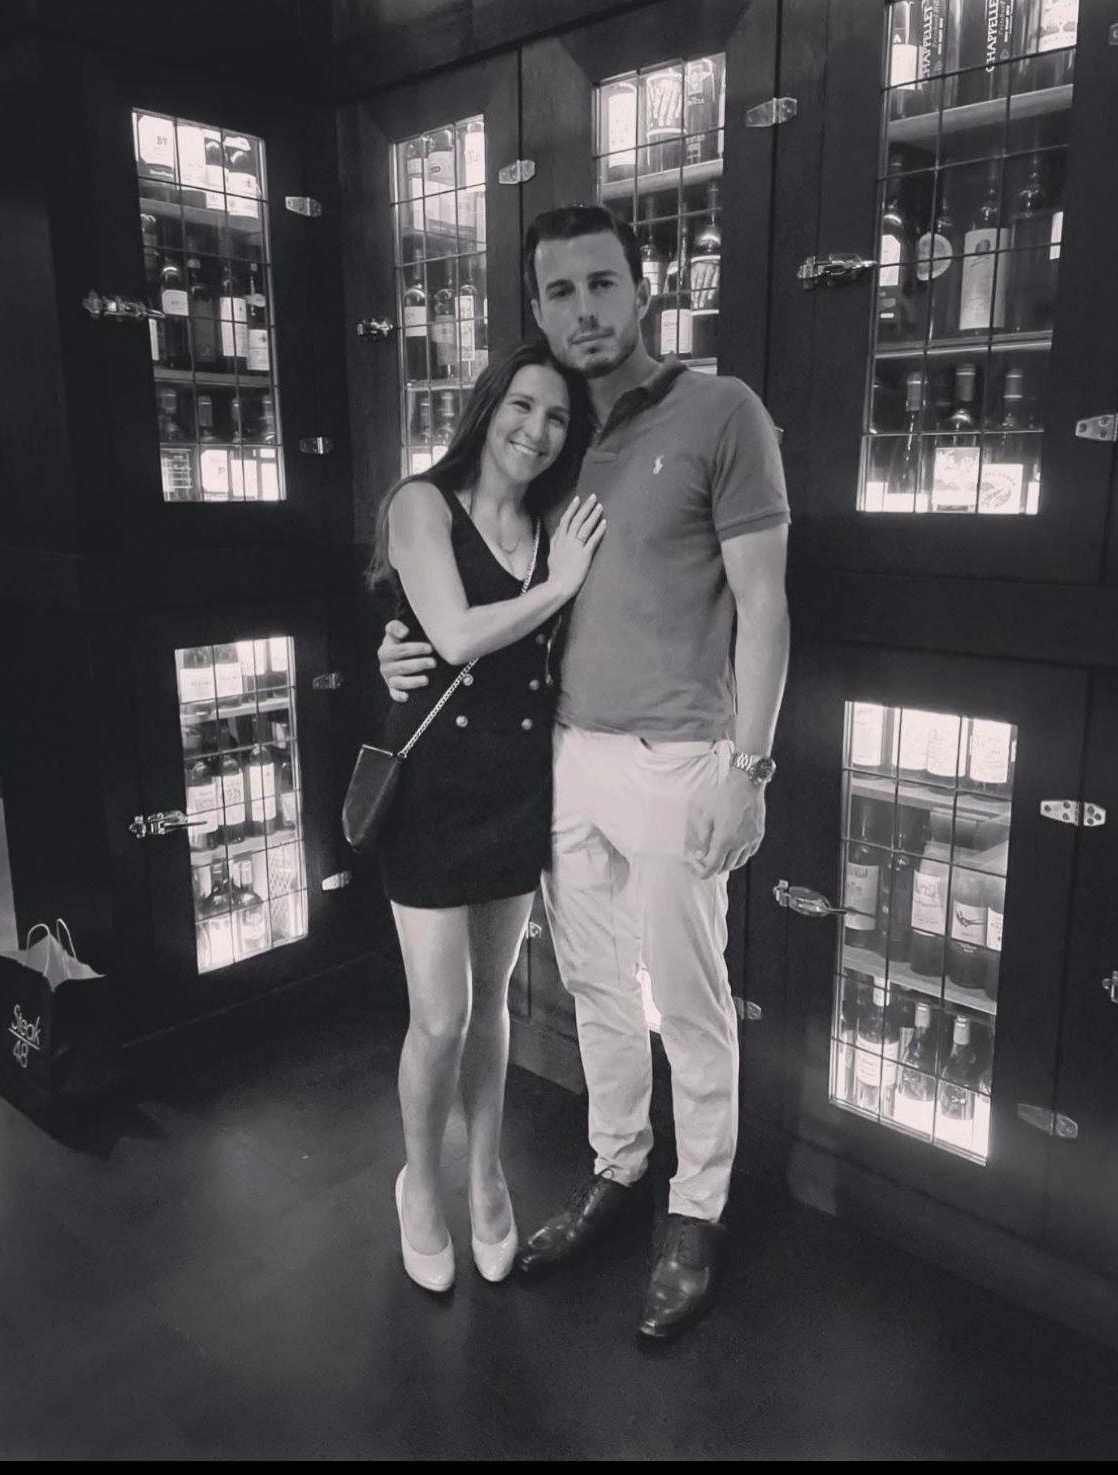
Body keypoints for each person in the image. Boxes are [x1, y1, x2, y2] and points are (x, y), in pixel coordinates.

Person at [377, 204, 790, 1339]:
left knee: (689, 1000)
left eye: (602, 283)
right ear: (536, 310)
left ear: (640, 288)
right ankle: (618, 1167)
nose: (584, 309)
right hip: (554, 758)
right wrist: (399, 644)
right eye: (559, 292)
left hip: (677, 756)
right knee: (598, 989)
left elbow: (763, 604)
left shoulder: (722, 412)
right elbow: (476, 582)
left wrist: (749, 767)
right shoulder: (555, 444)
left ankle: (693, 1212)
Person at [368, 338, 607, 1293]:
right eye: (521, 406)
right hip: (432, 792)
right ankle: (418, 1184)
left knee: (491, 1004)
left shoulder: (556, 523)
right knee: (440, 1016)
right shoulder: (419, 504)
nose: (535, 431)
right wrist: (558, 586)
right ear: (487, 405)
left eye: (556, 417)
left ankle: (485, 1173)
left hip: (515, 785)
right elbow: (458, 633)